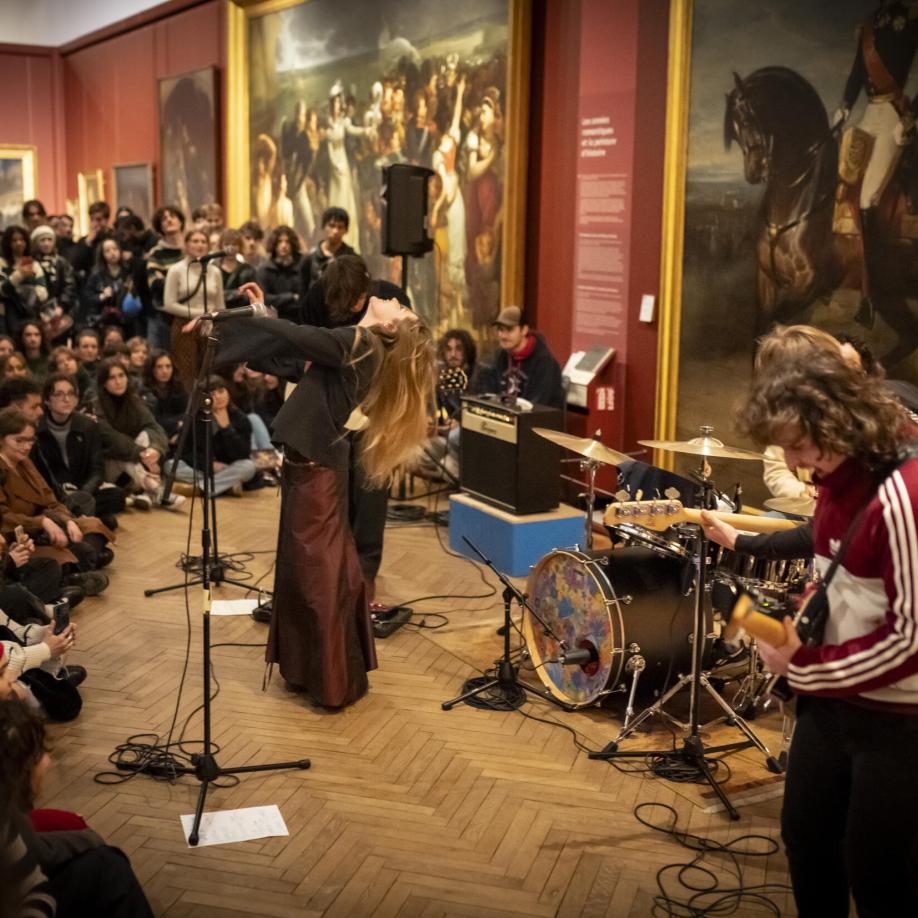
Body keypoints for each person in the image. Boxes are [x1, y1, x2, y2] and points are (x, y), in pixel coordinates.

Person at [726, 325, 918, 917]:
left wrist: (806, 664)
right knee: (807, 839)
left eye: (799, 446)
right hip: (831, 705)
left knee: (878, 872)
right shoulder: (834, 479)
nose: (792, 462)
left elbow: (911, 638)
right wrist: (806, 613)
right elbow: (833, 568)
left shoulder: (904, 494)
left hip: (897, 721)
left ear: (837, 422)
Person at [209, 280, 435, 708]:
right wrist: (265, 314)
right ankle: (310, 671)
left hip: (315, 473)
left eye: (400, 308)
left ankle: (331, 680)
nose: (393, 300)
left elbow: (299, 336)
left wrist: (258, 320)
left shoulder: (360, 342)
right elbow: (295, 356)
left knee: (317, 573)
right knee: (308, 569)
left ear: (391, 329)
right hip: (311, 468)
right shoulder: (359, 345)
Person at [833, 1, 918, 326]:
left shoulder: (910, 22)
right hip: (869, 114)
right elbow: (857, 71)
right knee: (845, 183)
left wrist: (911, 117)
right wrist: (843, 106)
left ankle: (874, 291)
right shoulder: (870, 26)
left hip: (897, 117)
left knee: (869, 198)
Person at [0, 408, 114, 575]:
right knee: (75, 554)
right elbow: (4, 518)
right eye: (19, 441)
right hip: (22, 536)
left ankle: (82, 565)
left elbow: (51, 500)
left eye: (30, 441)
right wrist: (42, 522)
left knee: (93, 526)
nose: (26, 447)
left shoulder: (25, 463)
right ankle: (81, 567)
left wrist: (67, 520)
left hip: (47, 528)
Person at [93, 360, 182, 511]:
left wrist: (155, 450)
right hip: (109, 466)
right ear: (104, 383)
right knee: (123, 456)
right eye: (112, 378)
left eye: (121, 376)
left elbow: (154, 427)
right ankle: (158, 490)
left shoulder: (133, 400)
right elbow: (111, 438)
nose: (118, 381)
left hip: (135, 465)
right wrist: (142, 453)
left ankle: (145, 493)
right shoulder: (96, 404)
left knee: (147, 434)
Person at [37, 374, 127, 523]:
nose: (66, 399)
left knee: (117, 495)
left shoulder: (87, 425)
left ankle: (77, 515)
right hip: (55, 493)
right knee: (109, 521)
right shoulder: (39, 430)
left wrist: (84, 493)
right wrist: (61, 491)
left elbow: (97, 469)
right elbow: (41, 474)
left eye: (71, 394)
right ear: (47, 400)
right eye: (59, 394)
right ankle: (85, 517)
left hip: (82, 488)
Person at [170, 375, 258, 496]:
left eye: (221, 391)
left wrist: (227, 428)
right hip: (204, 468)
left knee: (249, 467)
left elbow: (243, 454)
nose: (218, 397)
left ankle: (200, 489)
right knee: (171, 465)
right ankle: (227, 485)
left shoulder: (240, 417)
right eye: (212, 393)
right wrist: (210, 465)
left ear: (228, 393)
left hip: (229, 466)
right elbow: (184, 452)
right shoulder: (194, 418)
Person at [162, 227, 224, 386]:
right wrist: (200, 314)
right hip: (184, 326)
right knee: (187, 373)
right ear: (186, 244)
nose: (200, 245)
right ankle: (190, 408)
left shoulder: (215, 271)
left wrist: (211, 316)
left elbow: (220, 305)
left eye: (203, 241)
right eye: (195, 241)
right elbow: (169, 304)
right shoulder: (176, 270)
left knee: (210, 371)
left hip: (209, 326)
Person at [471, 305, 564, 407]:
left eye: (509, 330)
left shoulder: (544, 362)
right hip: (504, 417)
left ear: (524, 330)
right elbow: (484, 394)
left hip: (535, 420)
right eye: (500, 329)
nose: (503, 335)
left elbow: (538, 405)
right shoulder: (498, 357)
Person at [29, 225, 76, 345]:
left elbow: (69, 285)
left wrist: (61, 307)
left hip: (59, 311)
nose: (46, 243)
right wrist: (39, 312)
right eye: (42, 240)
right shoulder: (31, 263)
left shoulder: (61, 262)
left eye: (49, 240)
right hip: (37, 314)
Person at [298, 206, 355, 297]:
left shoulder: (352, 258)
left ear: (345, 230)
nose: (336, 231)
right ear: (324, 226)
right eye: (332, 226)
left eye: (340, 227)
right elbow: (303, 292)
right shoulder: (309, 258)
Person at [256, 225, 302, 319]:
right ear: (274, 244)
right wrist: (291, 297)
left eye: (287, 242)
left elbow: (303, 298)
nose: (284, 245)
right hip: (273, 320)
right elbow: (264, 299)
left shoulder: (301, 267)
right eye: (280, 241)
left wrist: (278, 300)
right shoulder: (265, 269)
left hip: (298, 319)